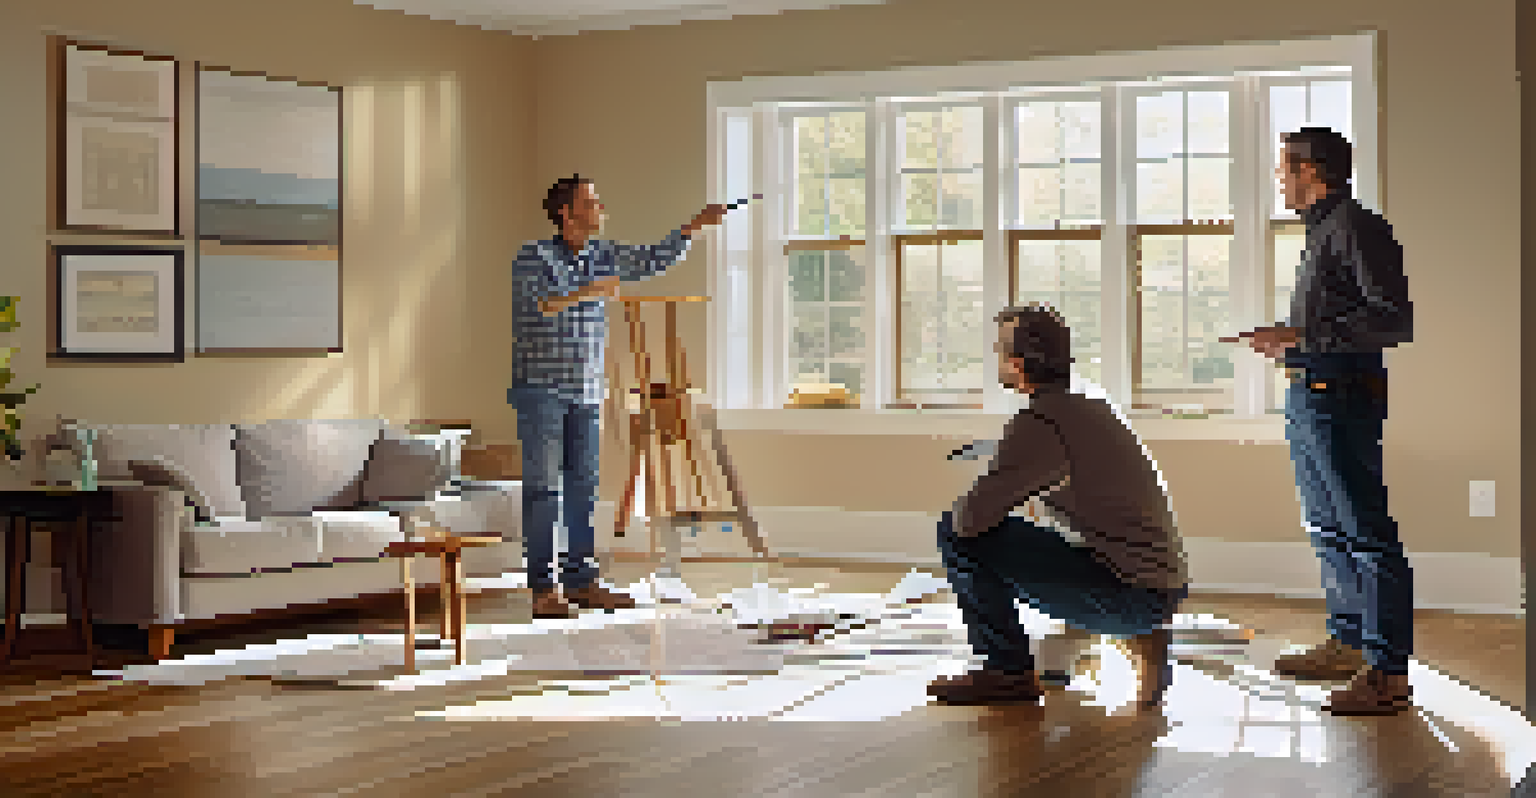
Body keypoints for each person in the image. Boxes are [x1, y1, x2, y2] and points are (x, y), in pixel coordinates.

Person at [1226, 126, 1414, 715]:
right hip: (1309, 394)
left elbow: (1394, 322)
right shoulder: (1321, 233)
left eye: (1284, 167)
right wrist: (1288, 344)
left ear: (1311, 171)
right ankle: (1348, 643)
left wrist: (1301, 335)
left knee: (1365, 535)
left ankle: (1387, 673)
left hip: (1341, 399)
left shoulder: (1358, 227)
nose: (1279, 178)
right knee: (1328, 530)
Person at [928, 303, 1189, 709]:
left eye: (999, 350)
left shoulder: (1042, 421)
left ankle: (1005, 672)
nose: (996, 359)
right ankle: (1136, 631)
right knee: (1026, 532)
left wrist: (1004, 476)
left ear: (1016, 363)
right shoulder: (1087, 400)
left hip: (1132, 595)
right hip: (1157, 586)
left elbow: (969, 521)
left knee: (955, 532)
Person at [509, 175, 731, 619]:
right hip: (541, 391)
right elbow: (542, 304)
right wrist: (590, 291)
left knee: (583, 487)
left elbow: (651, 259)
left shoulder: (603, 253)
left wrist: (692, 228)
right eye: (590, 202)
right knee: (542, 491)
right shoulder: (534, 256)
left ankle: (582, 581)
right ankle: (542, 590)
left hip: (586, 390)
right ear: (567, 214)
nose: (600, 208)